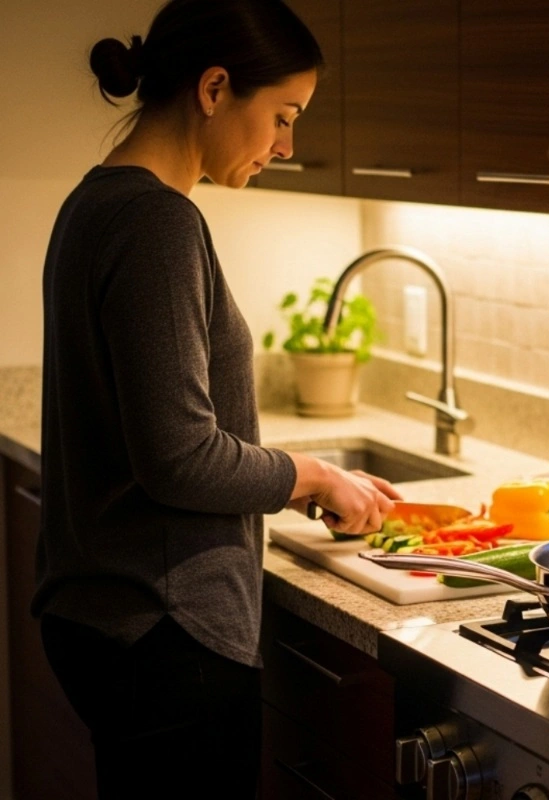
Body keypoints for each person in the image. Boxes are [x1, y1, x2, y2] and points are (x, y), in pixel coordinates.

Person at [34, 1, 399, 797]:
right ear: (213, 88)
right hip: (165, 631)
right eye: (282, 116)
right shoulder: (158, 222)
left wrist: (292, 478)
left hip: (105, 616)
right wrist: (309, 474)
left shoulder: (95, 202)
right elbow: (179, 458)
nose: (286, 145)